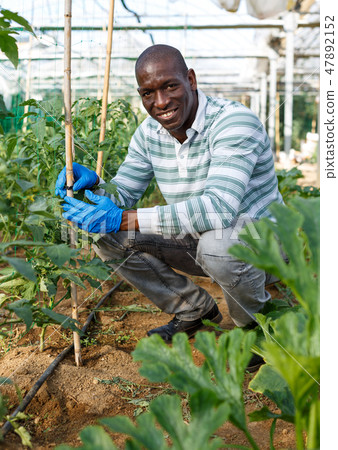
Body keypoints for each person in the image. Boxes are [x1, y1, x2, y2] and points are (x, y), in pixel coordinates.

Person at [55, 45, 283, 371]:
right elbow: (124, 193)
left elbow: (218, 209)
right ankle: (193, 309)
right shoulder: (149, 133)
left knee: (218, 244)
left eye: (170, 86)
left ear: (190, 79)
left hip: (264, 246)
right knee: (106, 234)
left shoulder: (233, 123)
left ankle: (257, 328)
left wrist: (123, 218)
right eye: (148, 93)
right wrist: (94, 187)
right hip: (201, 241)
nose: (160, 102)